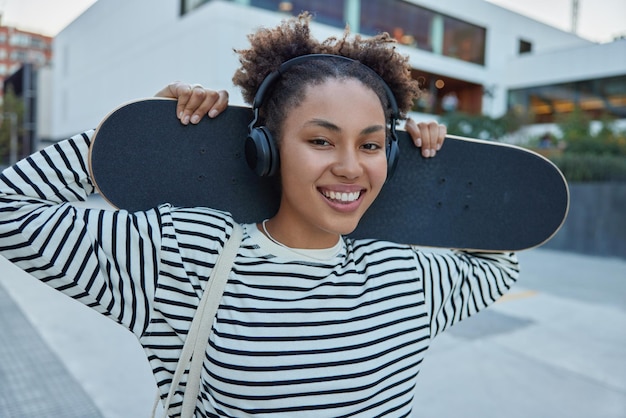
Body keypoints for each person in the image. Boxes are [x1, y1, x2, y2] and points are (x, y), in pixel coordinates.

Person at [0, 13, 518, 417]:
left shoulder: (403, 274)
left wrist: (445, 170)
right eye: (320, 140)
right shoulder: (183, 254)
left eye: (372, 145)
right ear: (264, 149)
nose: (349, 167)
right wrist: (123, 141)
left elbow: (500, 261)